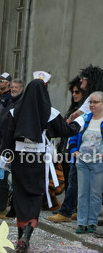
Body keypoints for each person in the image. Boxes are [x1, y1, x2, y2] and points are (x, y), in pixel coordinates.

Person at [0, 76, 70, 253]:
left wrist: (1, 162)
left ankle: (20, 237)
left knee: (20, 197)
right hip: (38, 160)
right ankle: (27, 236)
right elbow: (64, 130)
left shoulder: (15, 111)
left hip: (19, 159)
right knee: (34, 198)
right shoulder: (51, 112)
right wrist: (79, 121)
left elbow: (7, 139)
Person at [51, 79, 85, 223]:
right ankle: (70, 208)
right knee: (68, 180)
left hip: (76, 150)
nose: (74, 94)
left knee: (75, 182)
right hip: (65, 148)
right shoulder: (72, 109)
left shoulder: (84, 110)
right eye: (73, 92)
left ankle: (73, 210)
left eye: (77, 92)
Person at [70, 92, 103, 233]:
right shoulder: (84, 119)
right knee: (82, 193)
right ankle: (82, 223)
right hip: (82, 161)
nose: (92, 105)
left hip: (98, 163)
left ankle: (92, 223)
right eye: (90, 102)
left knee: (95, 193)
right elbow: (73, 134)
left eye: (95, 102)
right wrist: (73, 150)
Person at [0, 79, 24, 217]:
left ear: (22, 88)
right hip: (3, 144)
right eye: (12, 87)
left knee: (9, 178)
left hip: (13, 147)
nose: (14, 89)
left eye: (16, 87)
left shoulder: (22, 103)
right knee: (0, 176)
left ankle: (9, 208)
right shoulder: (9, 101)